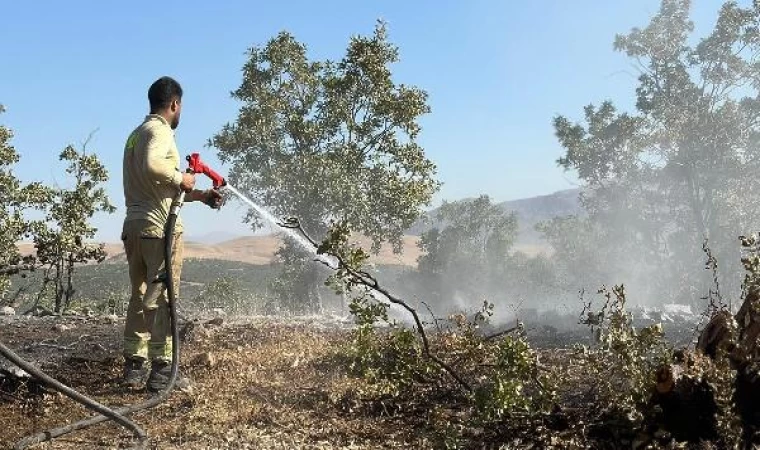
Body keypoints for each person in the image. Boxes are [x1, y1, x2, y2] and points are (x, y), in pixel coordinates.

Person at [121, 76, 221, 392]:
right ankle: (163, 370)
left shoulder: (135, 135)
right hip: (159, 230)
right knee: (161, 298)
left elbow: (160, 187)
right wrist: (182, 176)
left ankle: (134, 366)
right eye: (181, 107)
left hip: (135, 227)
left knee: (139, 295)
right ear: (175, 104)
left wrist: (202, 195)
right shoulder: (159, 131)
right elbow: (156, 167)